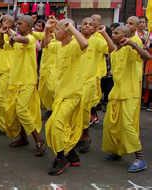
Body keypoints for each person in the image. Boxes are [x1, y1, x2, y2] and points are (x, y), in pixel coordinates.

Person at [44, 18, 88, 176]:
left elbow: (85, 44)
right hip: (60, 94)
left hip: (72, 94)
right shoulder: (58, 46)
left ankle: (62, 157)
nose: (55, 33)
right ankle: (72, 155)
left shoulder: (75, 45)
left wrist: (71, 27)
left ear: (67, 31)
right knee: (56, 126)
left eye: (58, 30)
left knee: (55, 125)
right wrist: (47, 29)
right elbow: (45, 44)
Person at [103, 25, 150, 173]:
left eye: (117, 33)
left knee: (128, 125)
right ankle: (117, 152)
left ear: (125, 36)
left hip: (130, 94)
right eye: (113, 33)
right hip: (116, 93)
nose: (114, 35)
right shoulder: (115, 53)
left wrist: (132, 44)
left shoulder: (131, 48)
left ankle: (140, 158)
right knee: (112, 124)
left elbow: (147, 57)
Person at [4, 15, 45, 156]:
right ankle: (23, 138)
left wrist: (11, 34)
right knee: (15, 110)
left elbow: (23, 39)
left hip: (28, 80)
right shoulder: (17, 36)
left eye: (20, 24)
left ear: (28, 26)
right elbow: (7, 43)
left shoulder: (31, 38)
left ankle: (38, 140)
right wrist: (8, 32)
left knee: (21, 109)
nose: (18, 25)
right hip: (15, 80)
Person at [76, 17, 115, 154]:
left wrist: (104, 33)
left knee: (84, 110)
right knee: (74, 111)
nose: (87, 26)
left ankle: (85, 136)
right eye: (84, 23)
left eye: (90, 25)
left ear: (94, 29)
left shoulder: (97, 41)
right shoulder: (75, 38)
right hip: (74, 81)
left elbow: (111, 48)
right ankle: (76, 137)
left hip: (90, 82)